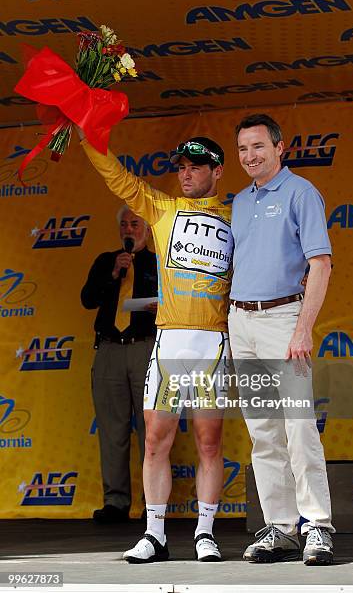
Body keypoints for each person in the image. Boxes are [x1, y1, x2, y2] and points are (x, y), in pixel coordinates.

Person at [79, 131, 232, 563]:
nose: (185, 174)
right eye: (181, 167)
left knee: (208, 444)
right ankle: (155, 534)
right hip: (168, 340)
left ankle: (205, 532)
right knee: (154, 442)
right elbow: (119, 179)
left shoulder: (238, 214)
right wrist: (89, 136)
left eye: (195, 167)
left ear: (217, 171)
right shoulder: (161, 208)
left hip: (212, 341)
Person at [228, 113, 335, 565]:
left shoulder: (300, 192)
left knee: (298, 427)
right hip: (242, 322)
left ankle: (317, 526)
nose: (250, 156)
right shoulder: (239, 200)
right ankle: (281, 527)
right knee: (264, 432)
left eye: (258, 147)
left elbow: (321, 264)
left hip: (283, 319)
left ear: (279, 147)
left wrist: (302, 329)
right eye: (242, 150)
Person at [81, 206, 157, 523]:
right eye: (124, 224)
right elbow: (88, 299)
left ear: (148, 229)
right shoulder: (106, 260)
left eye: (135, 224)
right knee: (113, 430)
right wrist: (113, 274)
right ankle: (115, 501)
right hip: (111, 348)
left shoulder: (160, 261)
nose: (129, 229)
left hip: (145, 348)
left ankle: (153, 502)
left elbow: (176, 300)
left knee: (152, 429)